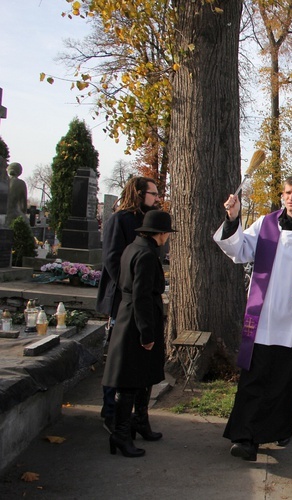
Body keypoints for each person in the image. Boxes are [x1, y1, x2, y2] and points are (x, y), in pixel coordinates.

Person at [215, 175, 292, 462]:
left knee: (285, 379)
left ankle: (281, 428)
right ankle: (245, 437)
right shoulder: (265, 224)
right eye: (287, 192)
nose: (291, 197)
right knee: (255, 376)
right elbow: (239, 250)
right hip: (265, 315)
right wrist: (233, 218)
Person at [101, 210, 175, 457]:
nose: (167, 239)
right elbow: (142, 295)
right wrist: (147, 333)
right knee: (130, 382)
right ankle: (121, 435)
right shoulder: (145, 254)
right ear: (161, 234)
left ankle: (140, 421)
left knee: (143, 376)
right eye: (167, 234)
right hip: (136, 322)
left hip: (130, 316)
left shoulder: (134, 247)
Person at [96, 176, 161, 433]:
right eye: (153, 193)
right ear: (138, 193)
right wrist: (130, 288)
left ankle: (136, 417)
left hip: (138, 298)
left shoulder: (146, 220)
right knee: (118, 359)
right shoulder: (119, 220)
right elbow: (112, 259)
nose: (157, 198)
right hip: (121, 299)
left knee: (137, 359)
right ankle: (110, 413)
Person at [6, 162, 27, 226]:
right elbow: (23, 205)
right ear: (20, 172)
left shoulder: (3, 181)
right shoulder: (21, 183)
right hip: (13, 215)